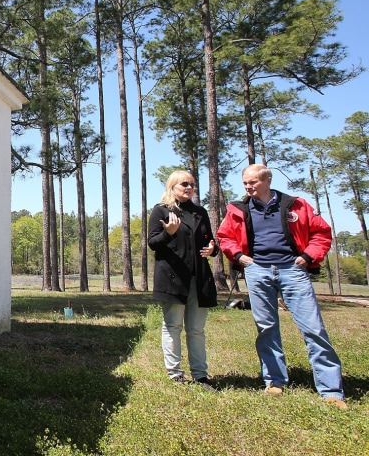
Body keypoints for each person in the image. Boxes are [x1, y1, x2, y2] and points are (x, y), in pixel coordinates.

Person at [217, 164, 347, 409]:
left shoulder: (296, 205)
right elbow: (225, 237)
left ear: (267, 180)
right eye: (245, 182)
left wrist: (308, 257)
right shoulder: (238, 209)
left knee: (313, 328)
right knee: (266, 328)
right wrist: (238, 256)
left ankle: (331, 390)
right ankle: (275, 381)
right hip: (257, 271)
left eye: (253, 182)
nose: (248, 186)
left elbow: (322, 233)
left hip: (292, 270)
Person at [148, 170, 218, 389]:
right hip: (173, 276)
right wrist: (168, 232)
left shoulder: (200, 212)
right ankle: (175, 374)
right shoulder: (162, 210)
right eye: (184, 184)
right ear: (173, 187)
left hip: (199, 278)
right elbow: (152, 243)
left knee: (196, 329)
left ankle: (200, 376)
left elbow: (209, 240)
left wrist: (213, 249)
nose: (189, 188)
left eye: (192, 184)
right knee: (173, 326)